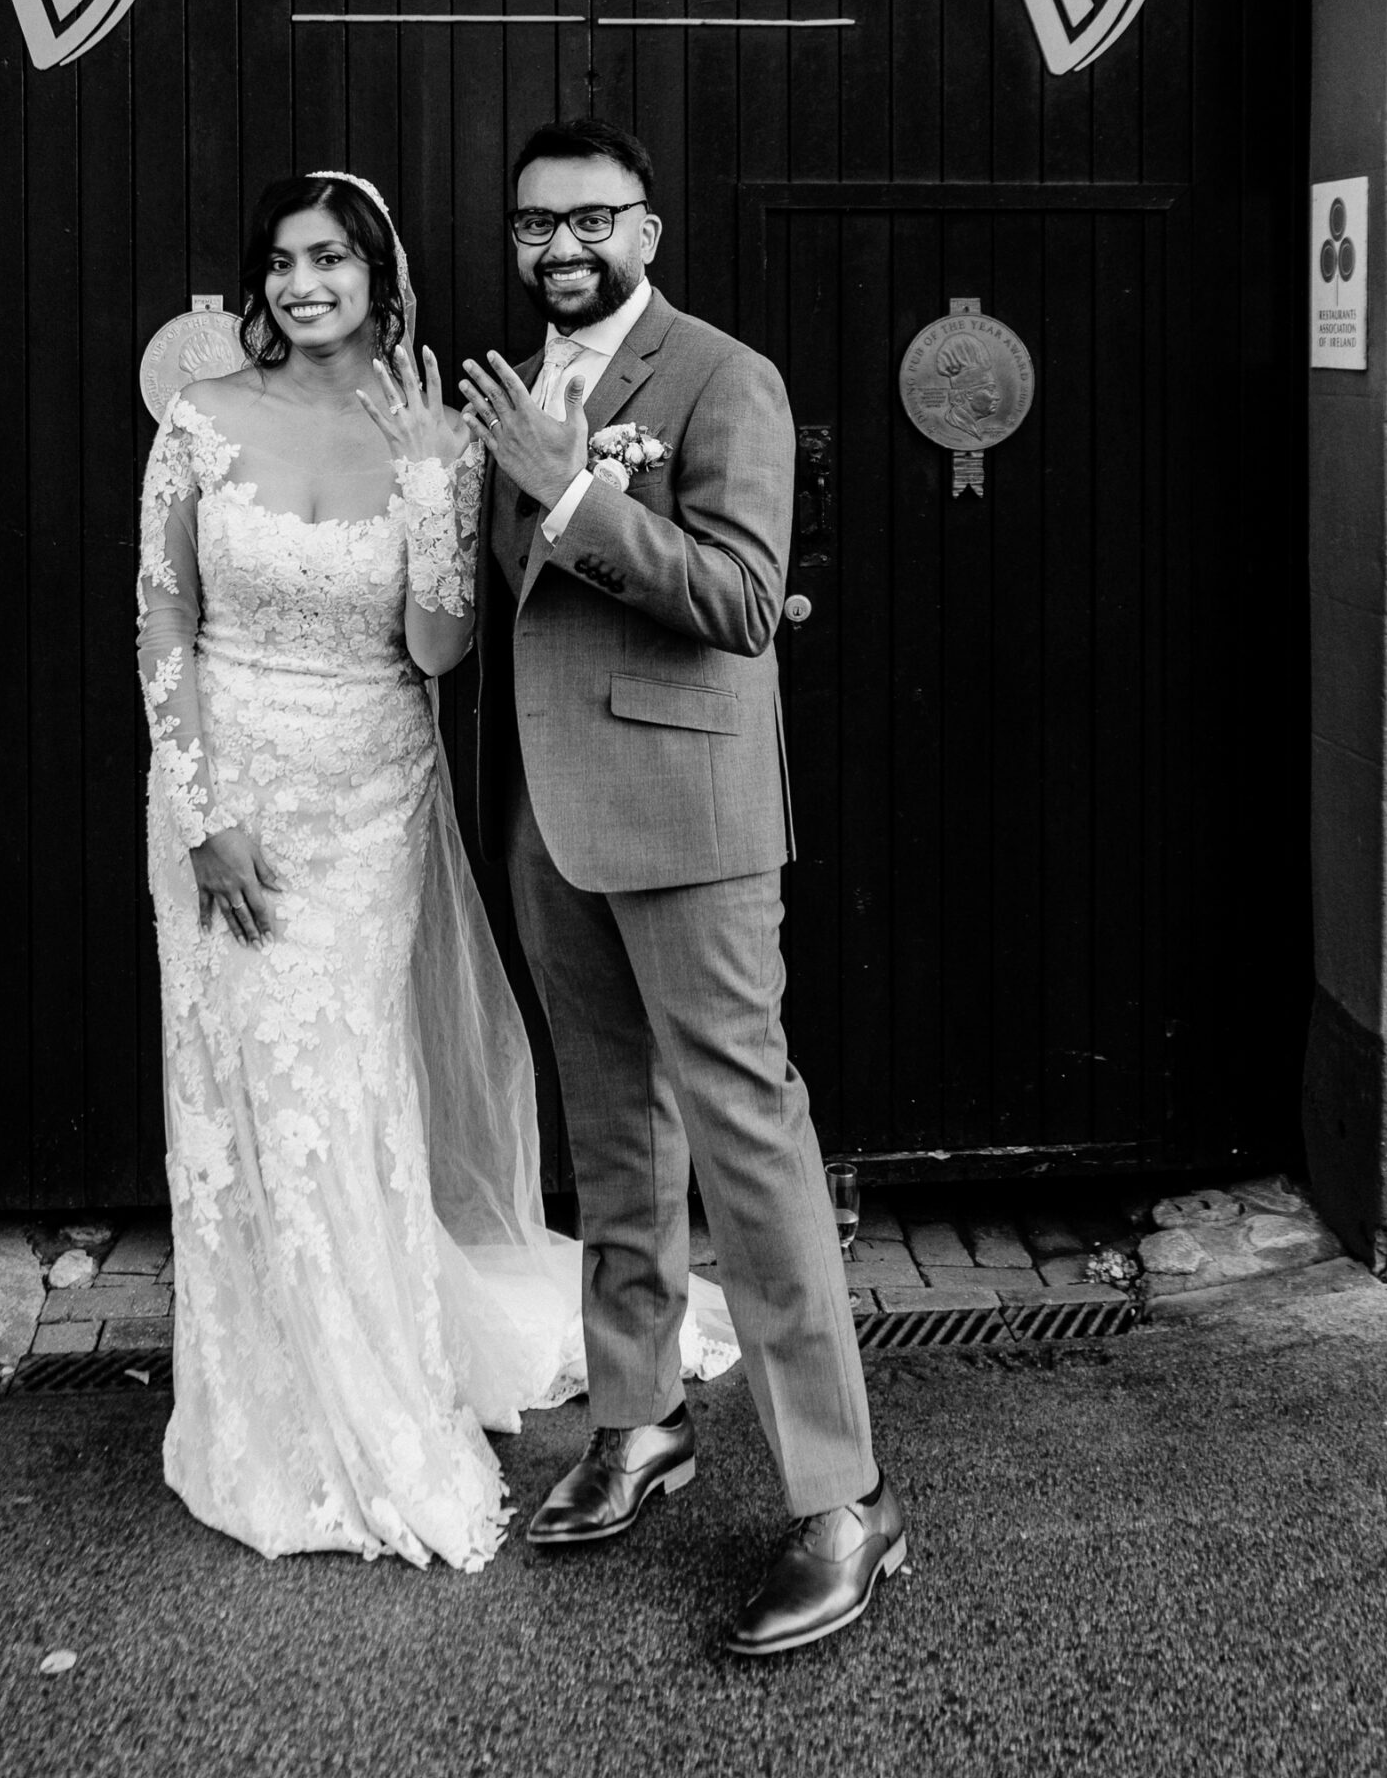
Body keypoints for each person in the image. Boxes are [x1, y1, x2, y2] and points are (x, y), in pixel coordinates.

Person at [135, 169, 731, 1572]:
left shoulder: (438, 435)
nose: (303, 285)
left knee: (338, 1085)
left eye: (330, 258)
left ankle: (374, 1397)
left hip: (369, 796)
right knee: (238, 1091)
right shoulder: (198, 424)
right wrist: (203, 811)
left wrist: (423, 478)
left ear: (377, 272)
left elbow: (441, 651)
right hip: (229, 791)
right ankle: (262, 1402)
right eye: (281, 261)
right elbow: (164, 630)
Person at [460, 117, 906, 1658]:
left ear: (648, 228)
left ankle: (842, 1500)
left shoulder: (726, 377)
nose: (562, 249)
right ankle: (640, 1420)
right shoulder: (517, 387)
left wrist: (570, 498)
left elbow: (736, 598)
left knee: (746, 1138)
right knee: (613, 1139)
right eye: (534, 227)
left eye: (591, 220)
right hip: (550, 823)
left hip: (690, 813)